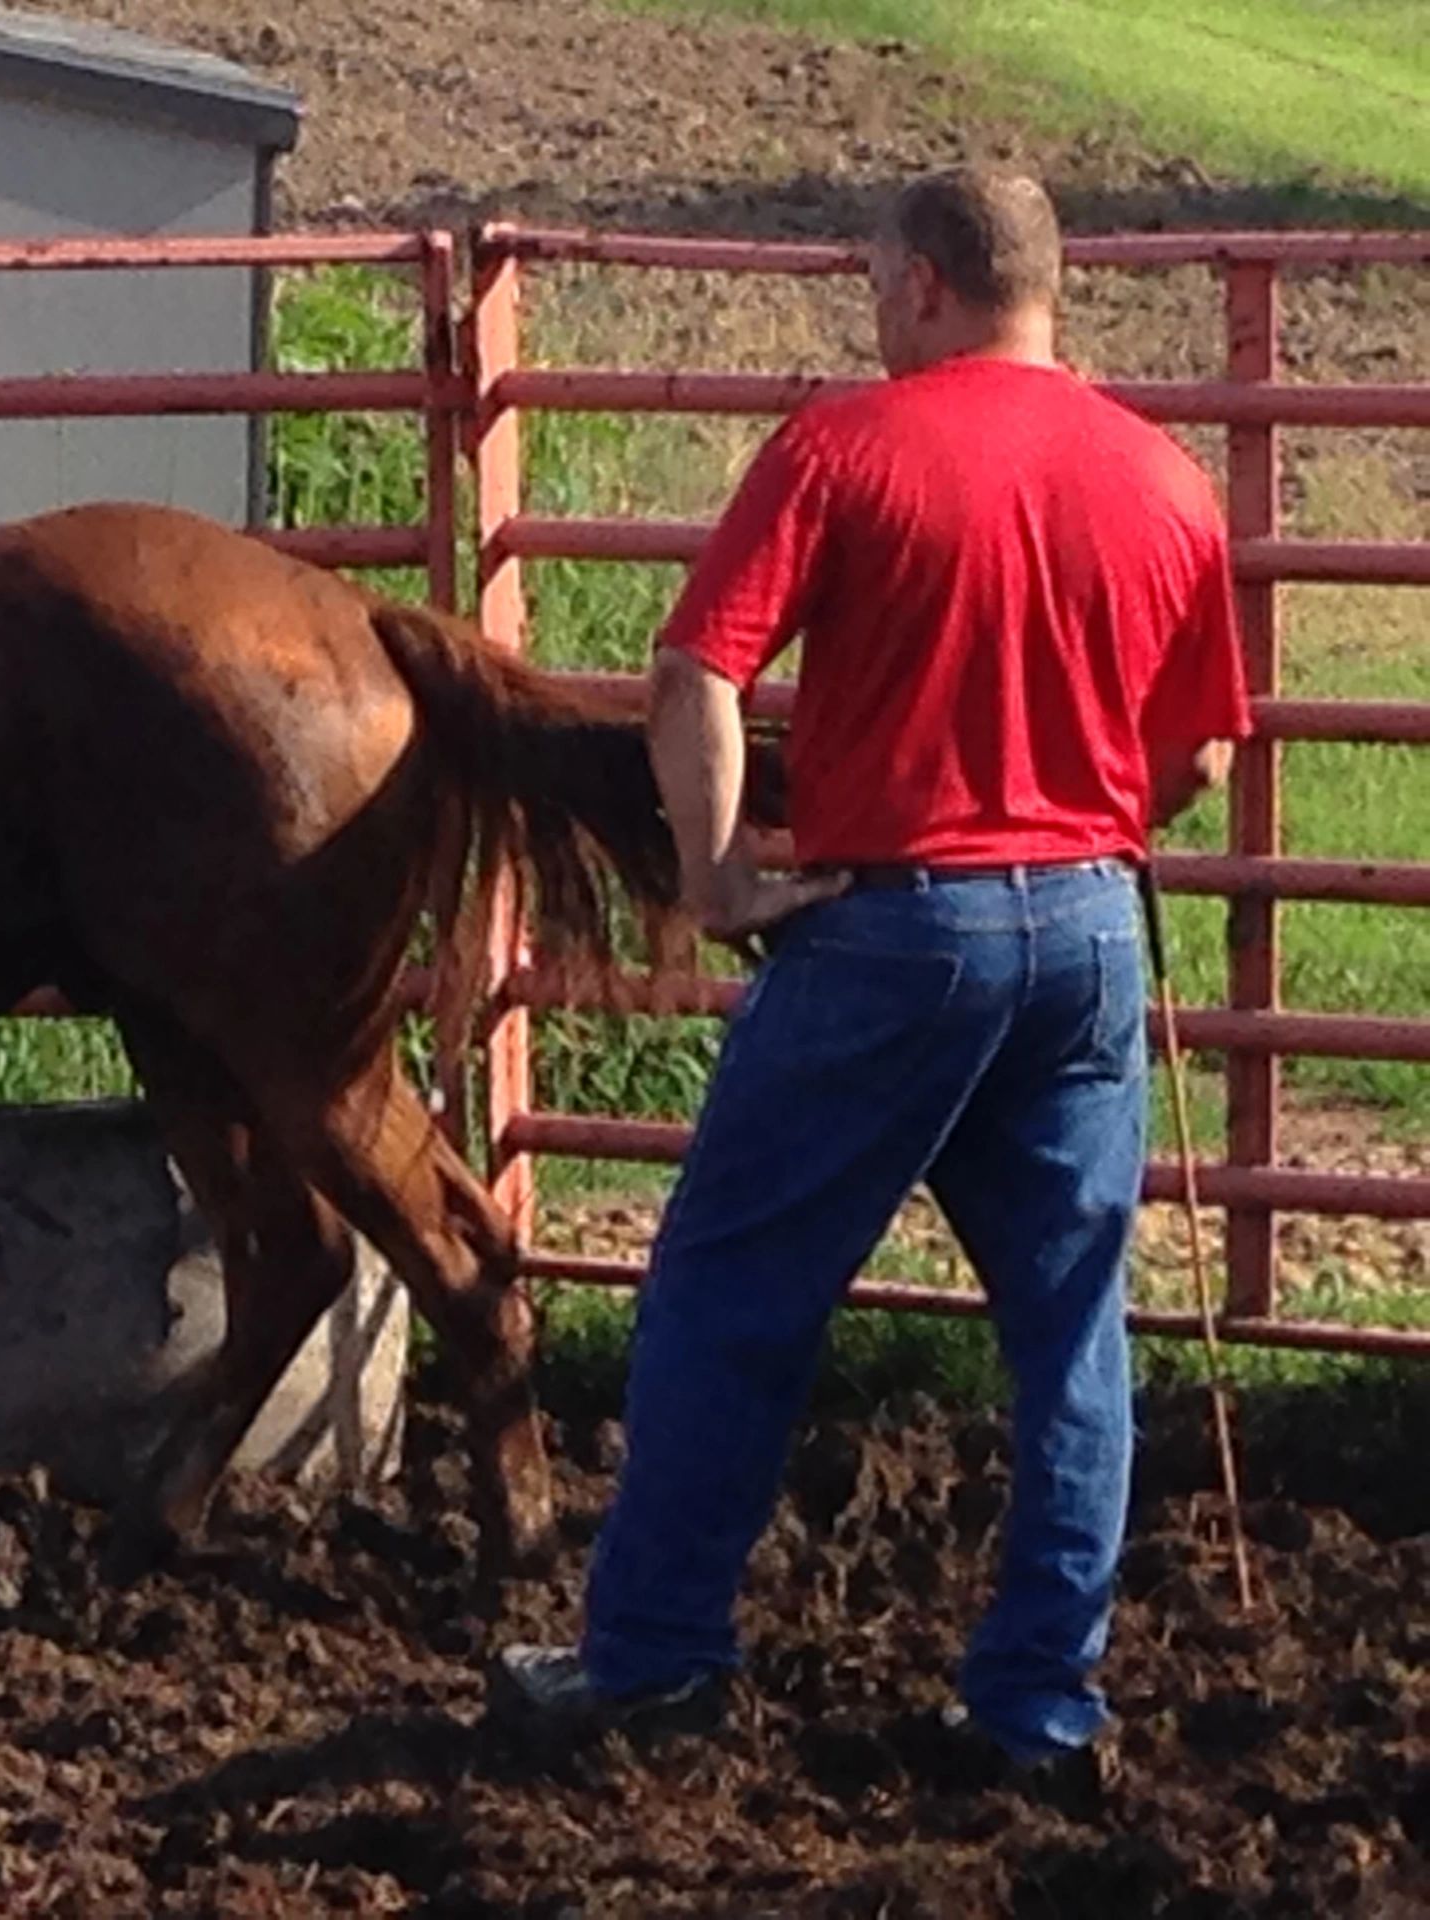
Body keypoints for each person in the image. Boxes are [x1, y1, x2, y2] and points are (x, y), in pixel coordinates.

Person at [489, 167, 1252, 1786]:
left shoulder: (846, 447)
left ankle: (656, 1663)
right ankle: (1042, 1702)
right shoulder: (1166, 479)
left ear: (922, 284)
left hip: (895, 923)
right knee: (1069, 1325)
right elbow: (1189, 758)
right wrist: (1087, 834)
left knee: (726, 1291)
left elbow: (698, 667)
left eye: (872, 280)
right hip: (1089, 927)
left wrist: (714, 874)